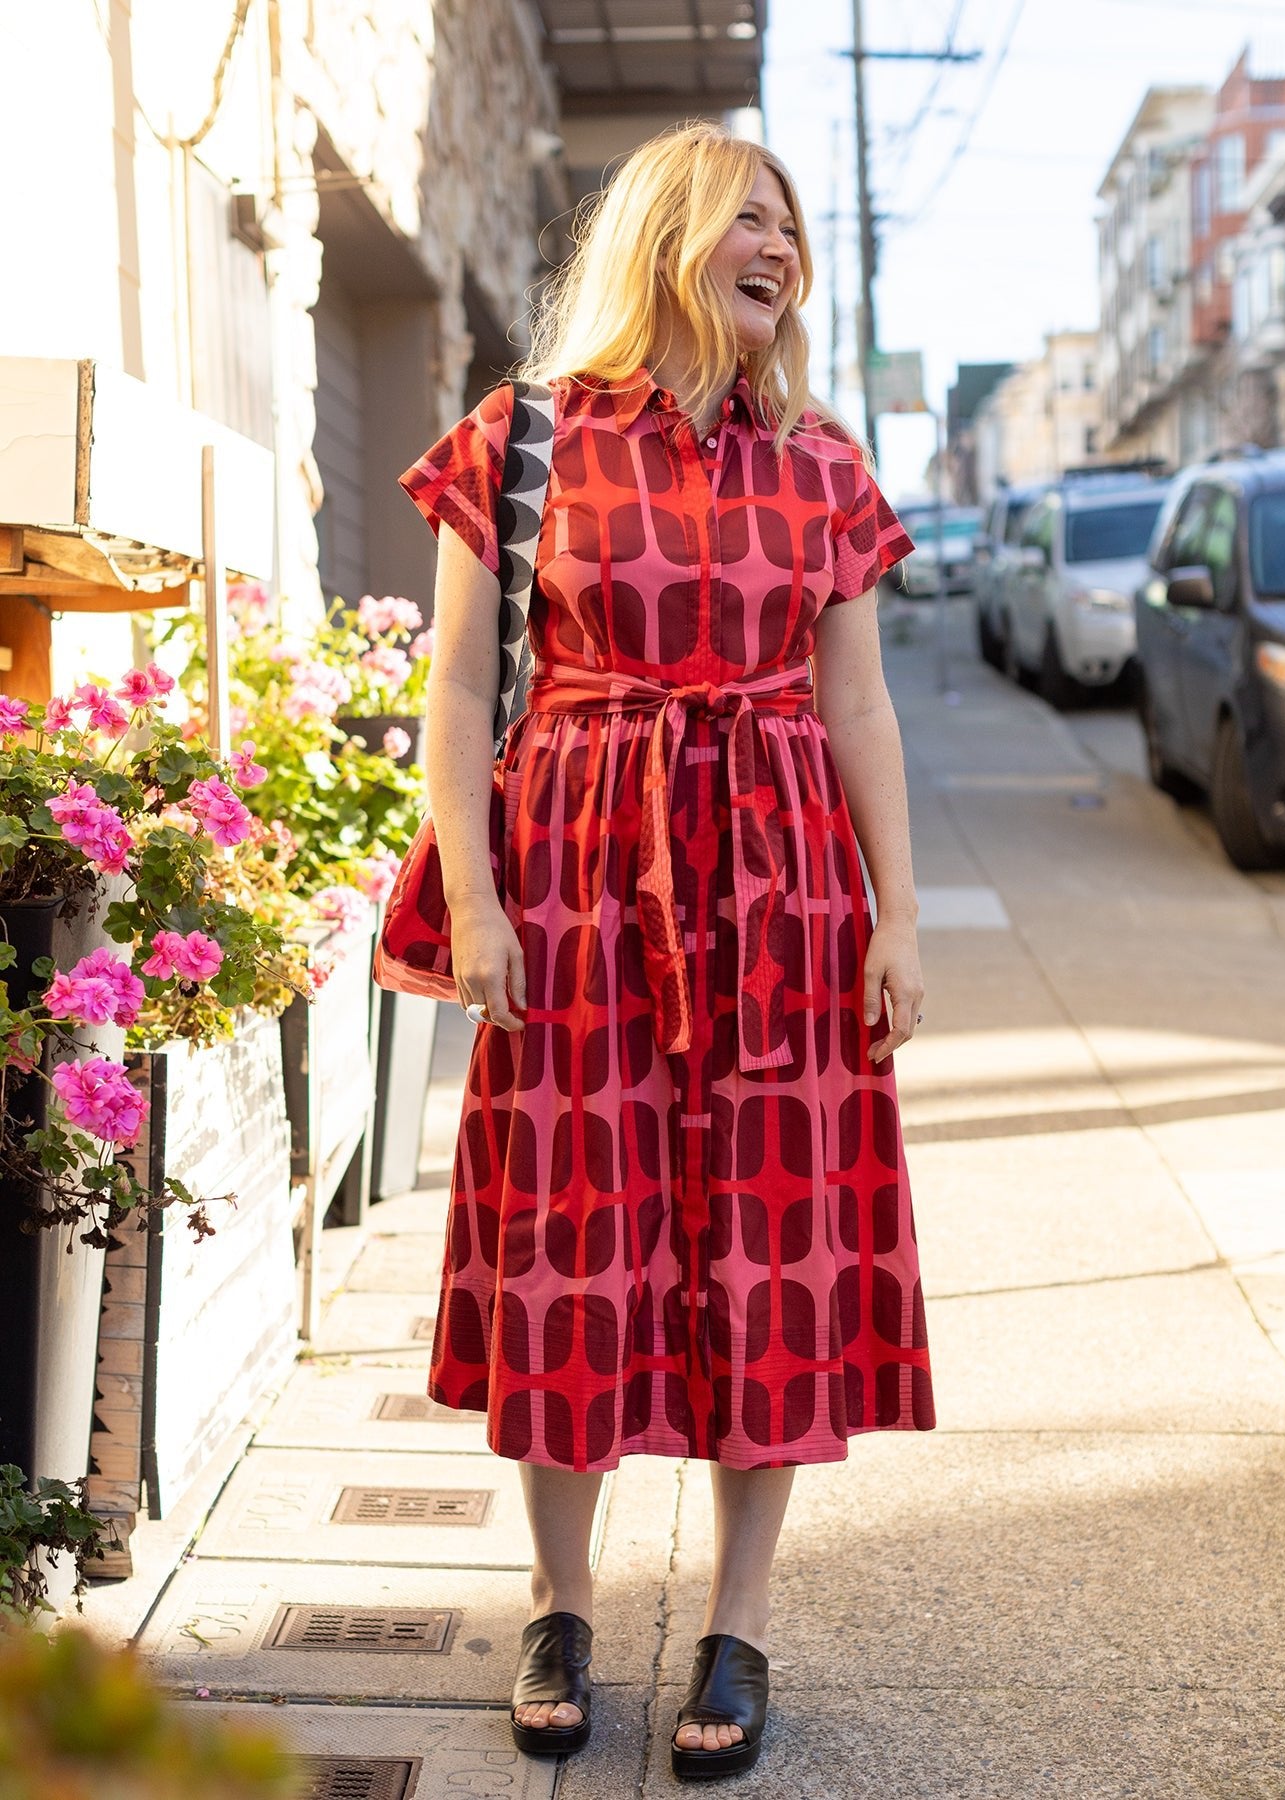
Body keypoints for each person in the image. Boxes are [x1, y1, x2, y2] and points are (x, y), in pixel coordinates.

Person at [398, 121, 934, 1783]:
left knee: (766, 1245)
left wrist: (897, 915)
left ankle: (739, 1625)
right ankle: (561, 1603)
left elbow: (855, 700)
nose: (774, 242)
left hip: (778, 887)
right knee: (575, 1241)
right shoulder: (520, 439)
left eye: (788, 223)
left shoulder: (824, 466)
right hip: (573, 873)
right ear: (666, 241)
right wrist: (476, 898)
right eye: (743, 217)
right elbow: (457, 689)